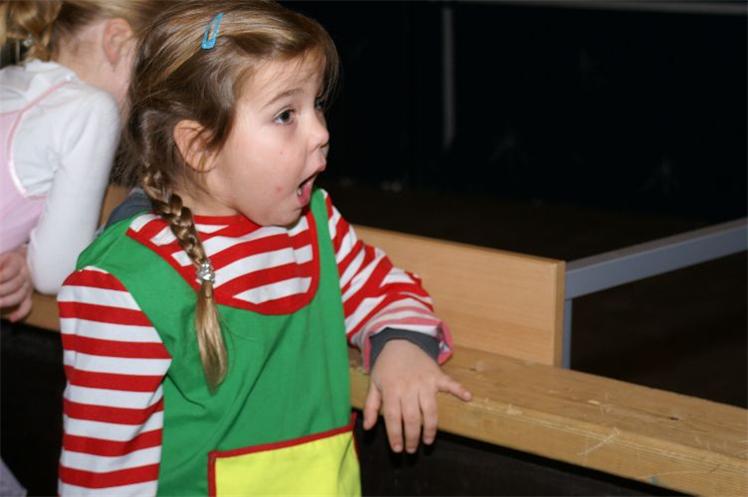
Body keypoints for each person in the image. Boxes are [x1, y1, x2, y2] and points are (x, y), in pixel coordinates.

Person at [57, 1, 472, 495]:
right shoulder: (126, 283)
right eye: (285, 114)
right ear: (200, 146)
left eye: (317, 104)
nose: (321, 133)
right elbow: (100, 477)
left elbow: (389, 292)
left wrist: (402, 348)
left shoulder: (315, 226)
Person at [0, 0, 161, 321]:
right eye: (150, 68)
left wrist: (22, 254)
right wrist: (32, 261)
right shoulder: (90, 109)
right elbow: (56, 274)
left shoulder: (10, 78)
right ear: (116, 40)